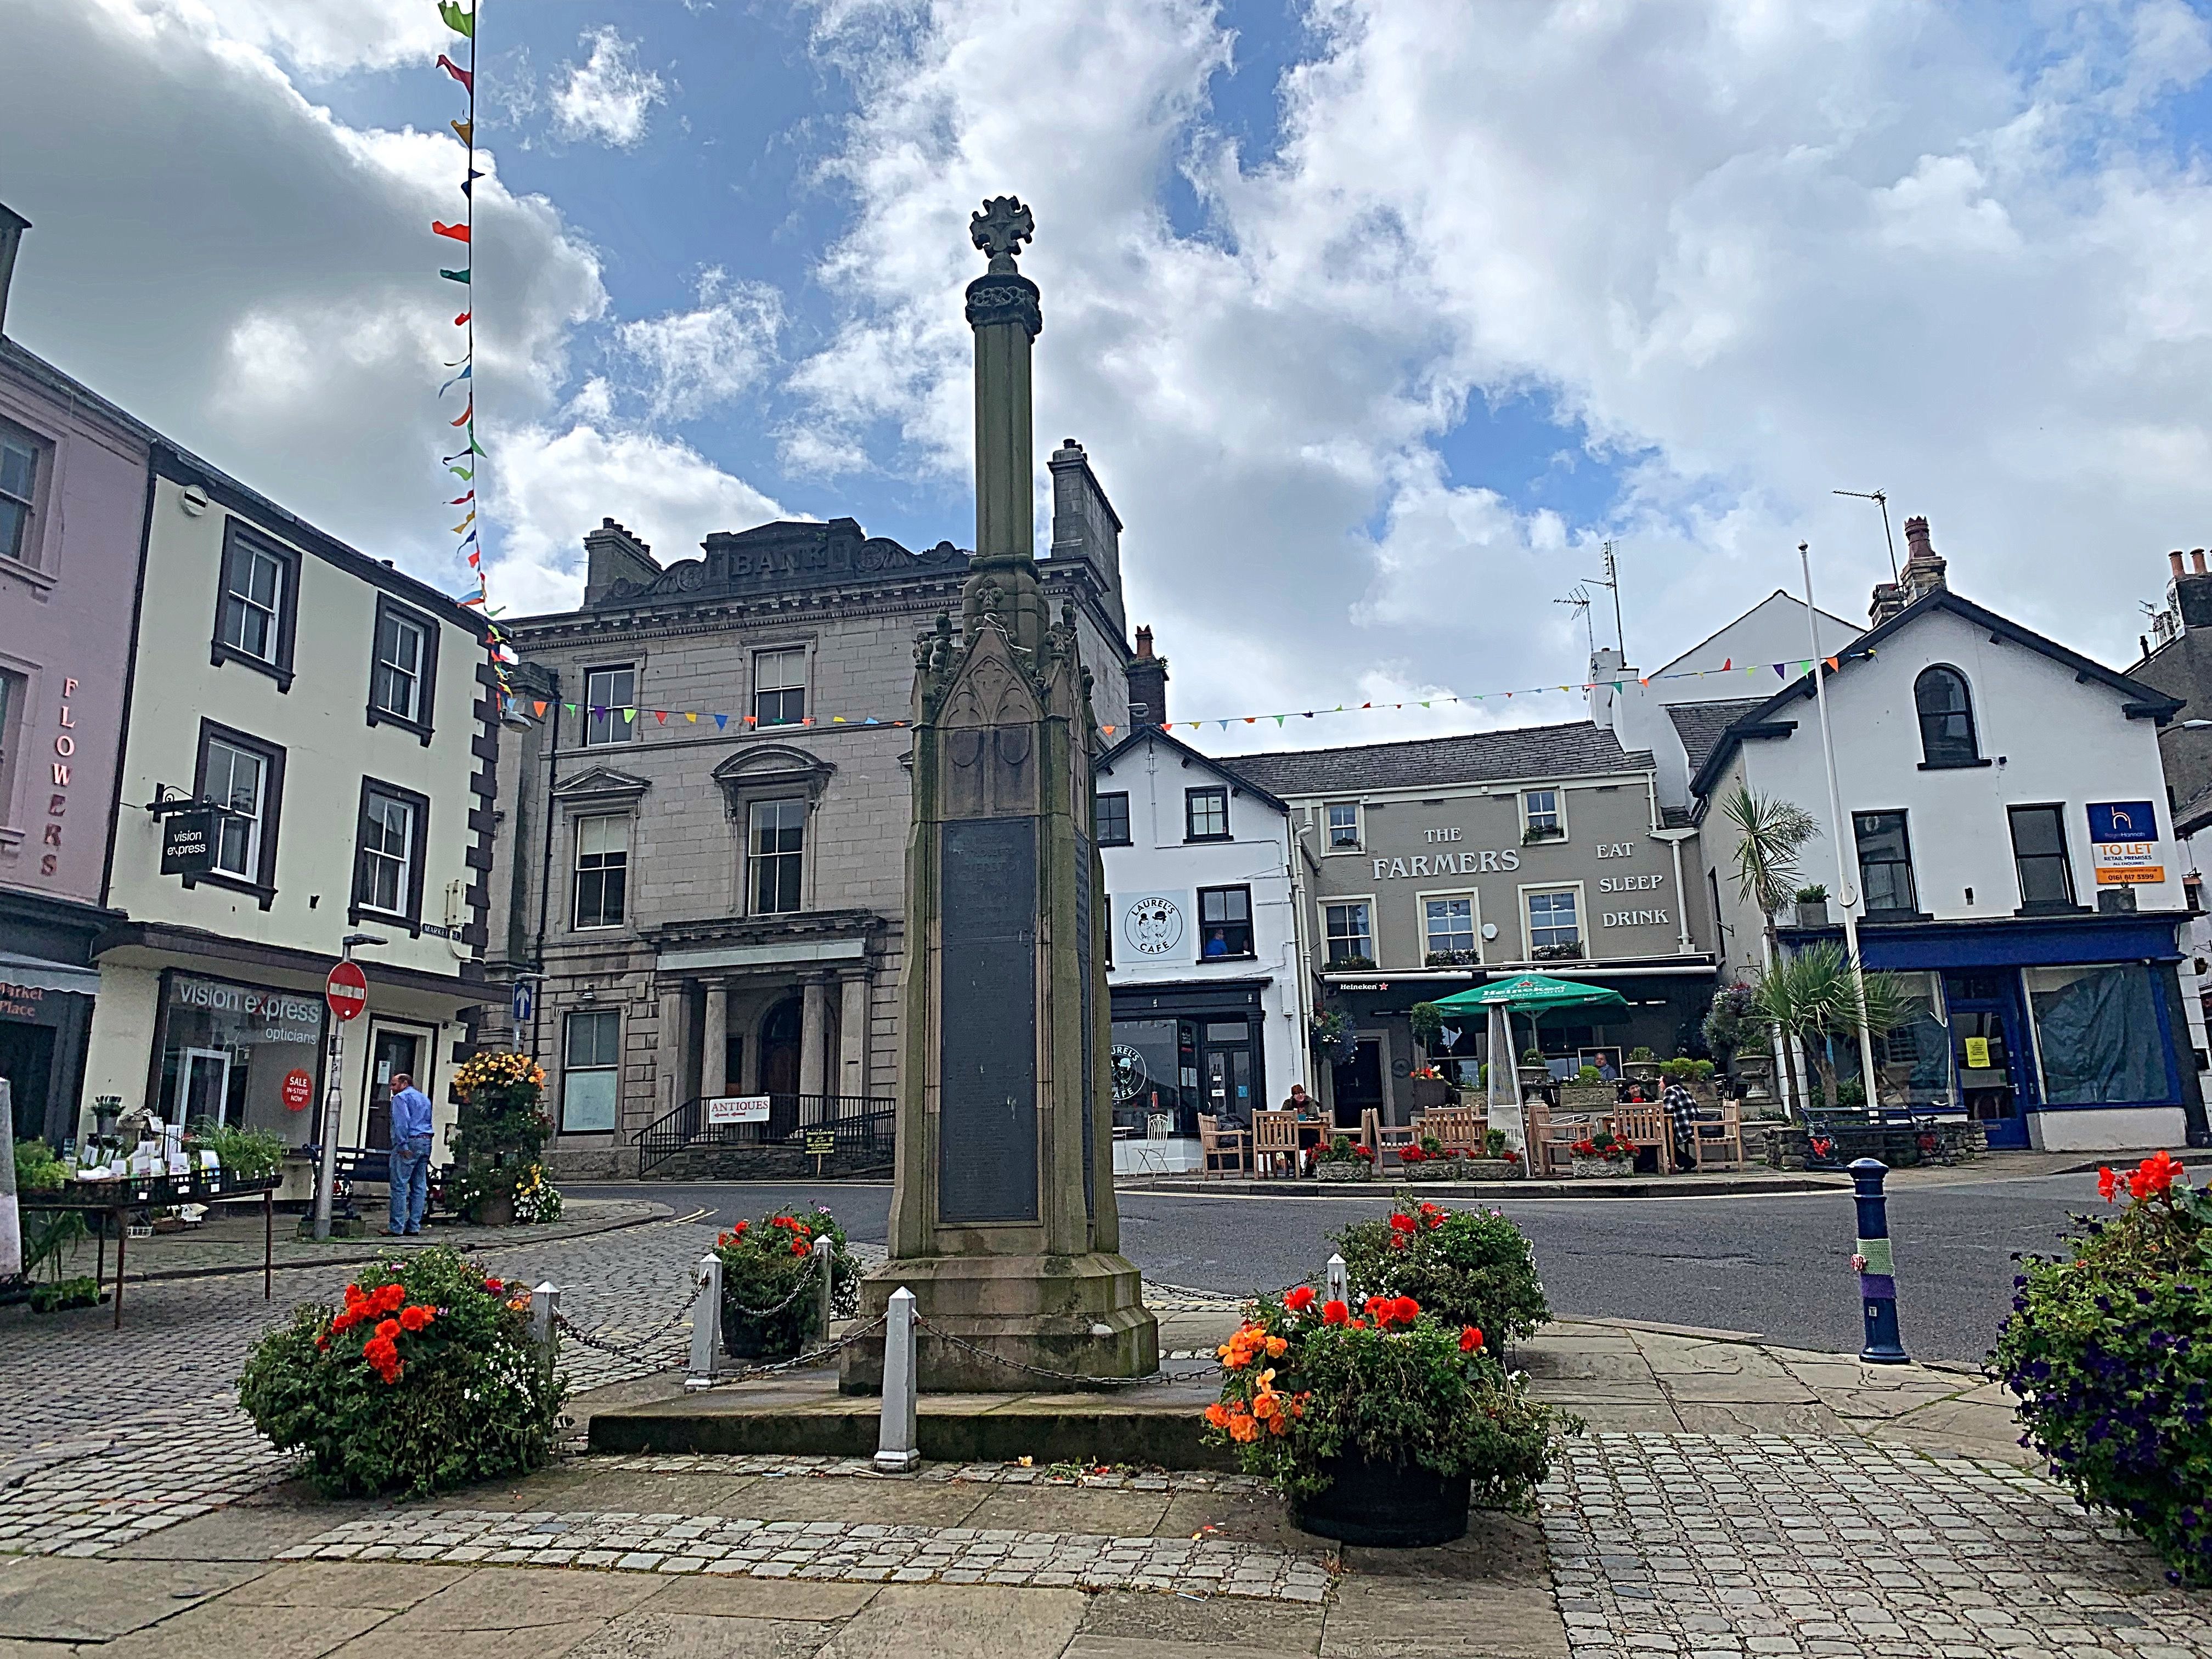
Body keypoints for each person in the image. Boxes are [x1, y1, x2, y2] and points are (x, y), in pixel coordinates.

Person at [387, 1073, 436, 1235]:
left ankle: (396, 1227)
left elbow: (401, 1123)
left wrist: (402, 1145)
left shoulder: (400, 1098)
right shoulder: (424, 1098)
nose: (392, 1088)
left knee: (399, 1185)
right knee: (419, 1186)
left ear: (405, 1084)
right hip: (426, 1141)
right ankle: (414, 1226)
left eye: (394, 1085)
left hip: (410, 1141)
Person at [1663, 1075, 1701, 1173]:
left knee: (1663, 1139)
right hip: (1694, 1125)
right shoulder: (1683, 1089)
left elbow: (1666, 1109)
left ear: (1666, 1082)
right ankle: (1687, 1161)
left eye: (1660, 1082)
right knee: (1665, 1137)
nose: (1659, 1085)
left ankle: (1687, 1161)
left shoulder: (1670, 1090)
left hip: (1685, 1127)